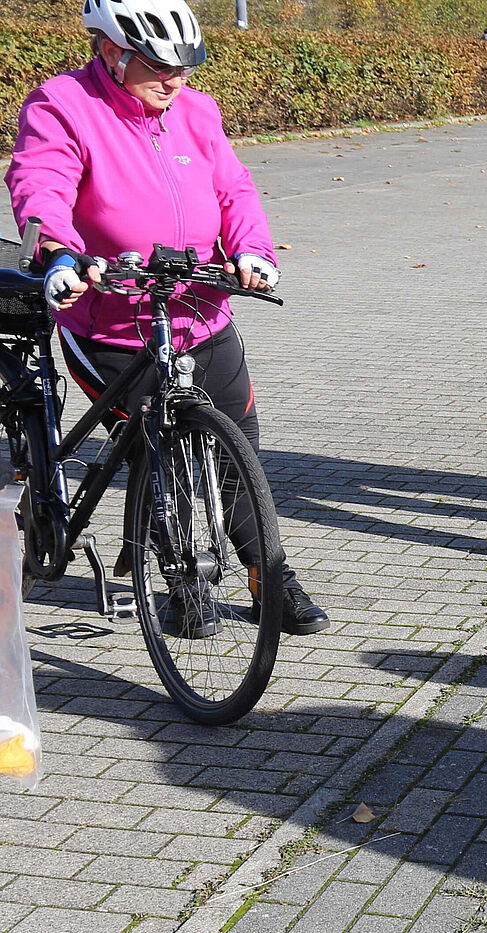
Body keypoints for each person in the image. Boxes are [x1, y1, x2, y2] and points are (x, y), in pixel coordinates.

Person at [5, 0, 329, 635]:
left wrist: (253, 250)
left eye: (186, 63)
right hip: (112, 322)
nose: (175, 77)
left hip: (200, 313)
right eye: (158, 63)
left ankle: (270, 578)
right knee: (162, 448)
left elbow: (233, 190)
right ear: (110, 51)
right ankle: (182, 582)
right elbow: (41, 183)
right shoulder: (63, 105)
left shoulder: (197, 111)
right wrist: (60, 253)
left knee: (240, 452)